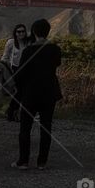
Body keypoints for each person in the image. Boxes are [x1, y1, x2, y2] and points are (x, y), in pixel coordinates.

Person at [12, 19, 62, 170]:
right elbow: (56, 64)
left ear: (33, 32)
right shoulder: (55, 49)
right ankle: (42, 163)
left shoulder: (28, 51)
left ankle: (23, 161)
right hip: (49, 93)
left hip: (31, 93)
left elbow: (20, 74)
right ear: (48, 31)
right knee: (46, 127)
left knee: (25, 128)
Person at [1, 24, 28, 121]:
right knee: (19, 92)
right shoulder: (11, 42)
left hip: (26, 70)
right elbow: (5, 57)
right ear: (15, 33)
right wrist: (4, 68)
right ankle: (12, 112)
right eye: (18, 32)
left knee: (21, 93)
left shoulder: (28, 42)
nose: (21, 33)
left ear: (25, 32)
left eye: (23, 31)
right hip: (15, 70)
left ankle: (12, 112)